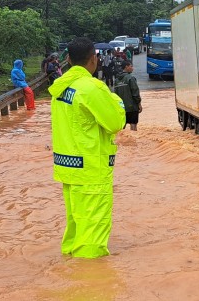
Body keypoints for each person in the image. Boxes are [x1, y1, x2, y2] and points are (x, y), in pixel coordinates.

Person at [49, 37, 125, 259]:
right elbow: (114, 123)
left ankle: (69, 268)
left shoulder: (61, 88)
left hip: (69, 168)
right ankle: (89, 276)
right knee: (92, 233)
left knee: (76, 226)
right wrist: (117, 102)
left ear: (69, 60)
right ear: (94, 59)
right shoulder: (91, 88)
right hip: (91, 168)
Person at [113, 59, 142, 131]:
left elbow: (115, 95)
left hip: (121, 108)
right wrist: (139, 104)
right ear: (126, 67)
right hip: (132, 107)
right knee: (133, 125)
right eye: (131, 66)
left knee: (122, 127)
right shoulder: (131, 78)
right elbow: (135, 93)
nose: (132, 68)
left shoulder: (116, 80)